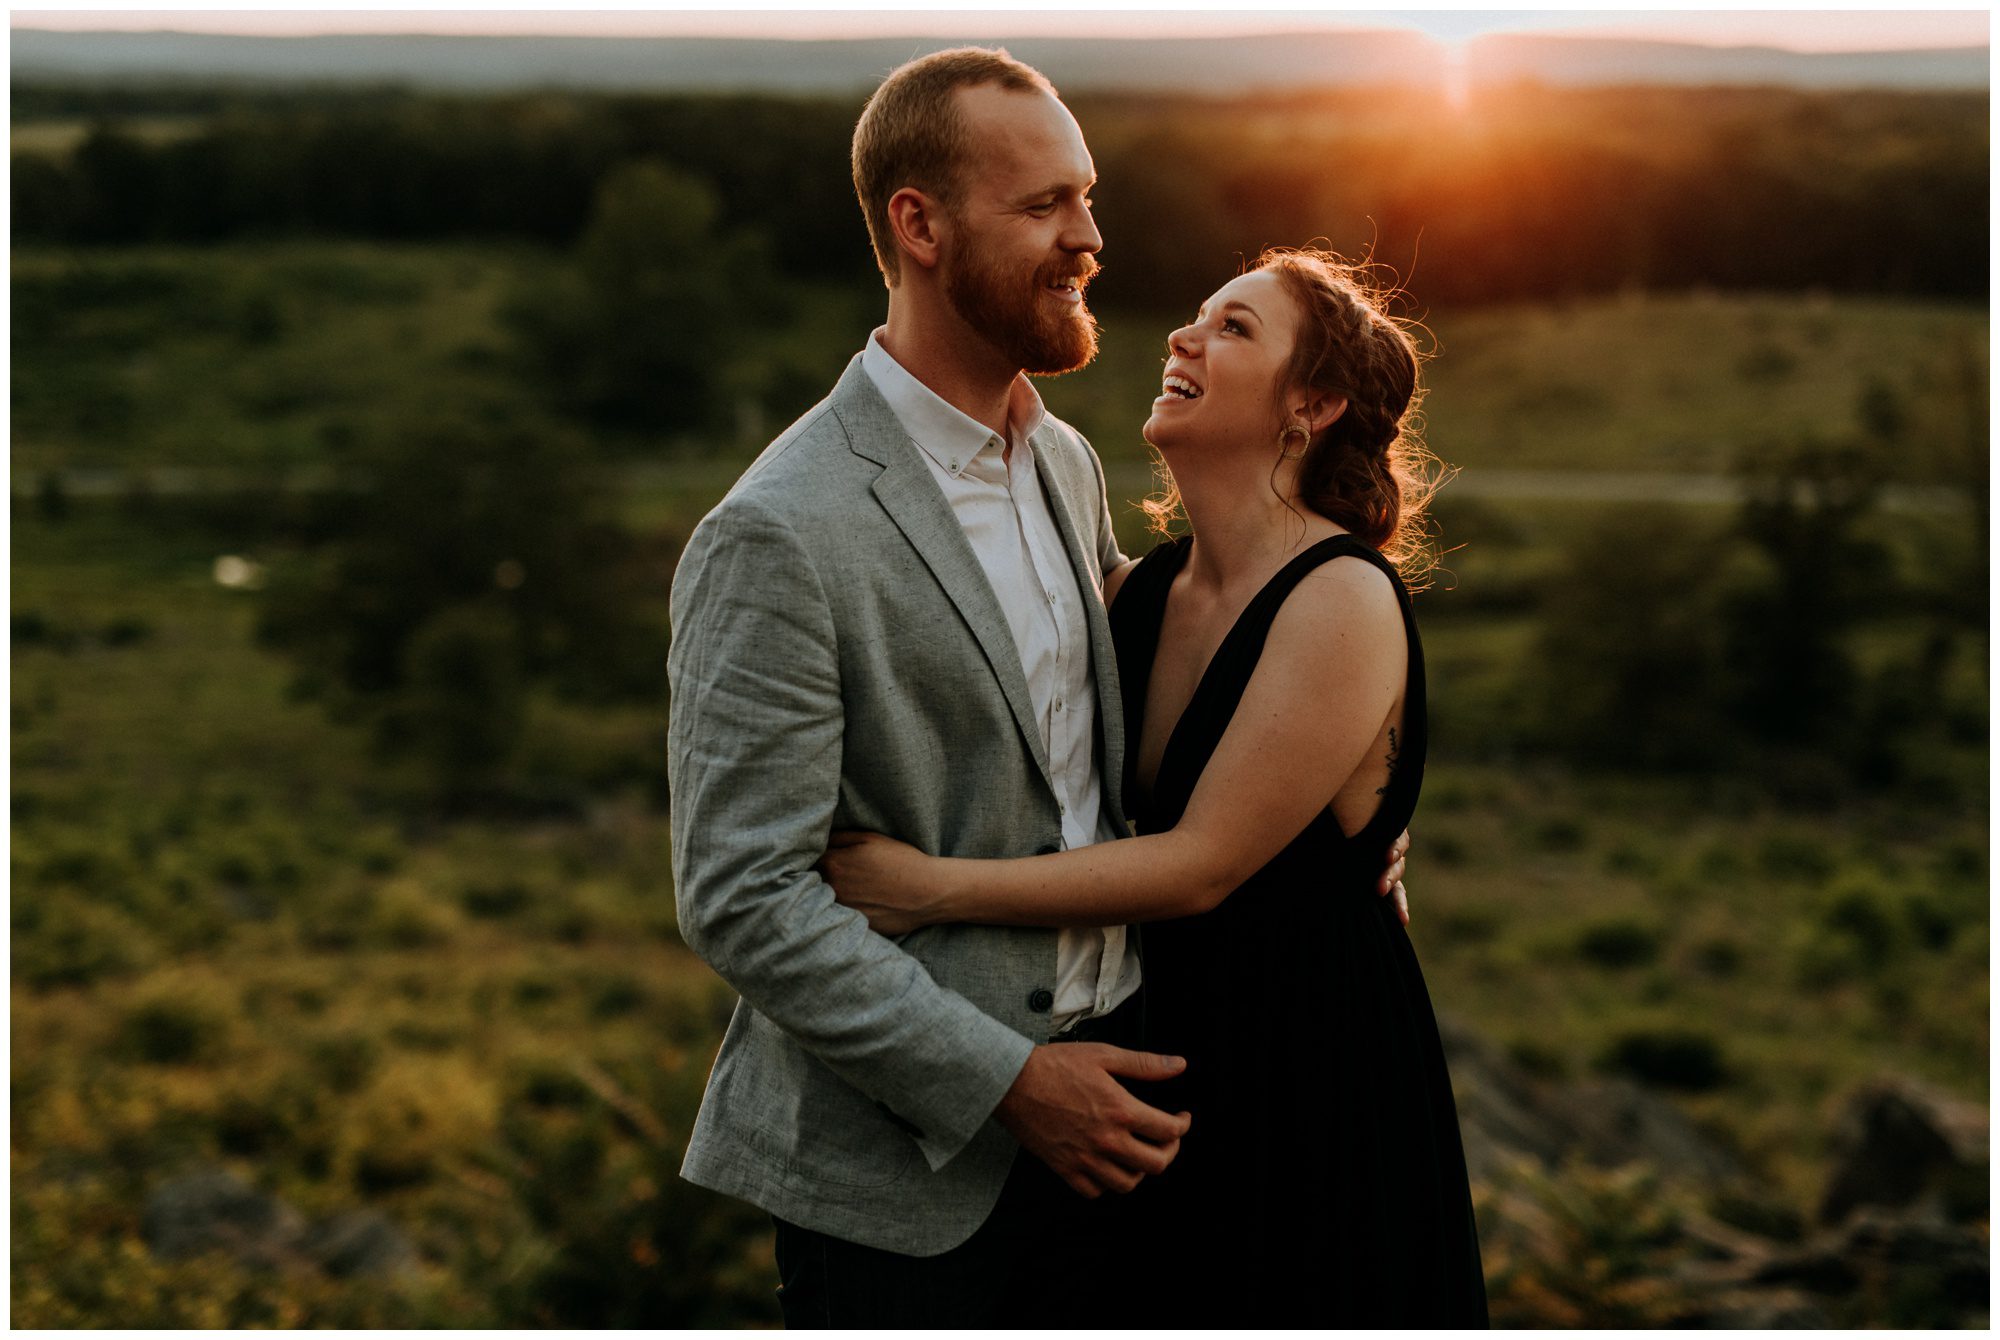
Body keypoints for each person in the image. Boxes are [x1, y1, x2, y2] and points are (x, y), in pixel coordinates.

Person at [668, 48, 1409, 1328]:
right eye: (1044, 207)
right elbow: (743, 897)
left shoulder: (1058, 463)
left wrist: (1351, 816)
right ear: (920, 225)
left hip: (1128, 1128)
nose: (1090, 239)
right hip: (908, 1178)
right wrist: (1005, 1079)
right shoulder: (779, 530)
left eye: (1087, 197)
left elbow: (1214, 678)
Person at [820, 248, 1488, 1326]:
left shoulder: (1339, 595)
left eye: (1232, 330)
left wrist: (927, 886)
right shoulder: (1137, 592)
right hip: (1158, 1059)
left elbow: (1199, 864)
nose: (1183, 337)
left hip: (1305, 1066)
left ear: (1308, 405)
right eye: (1194, 318)